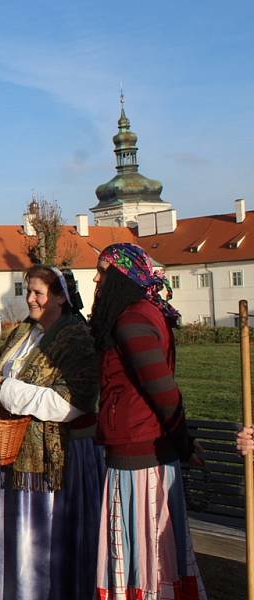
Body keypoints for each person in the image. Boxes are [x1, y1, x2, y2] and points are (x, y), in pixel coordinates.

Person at [0, 265, 102, 600]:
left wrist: (6, 393)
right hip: (15, 451)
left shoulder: (75, 336)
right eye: (27, 291)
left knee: (44, 543)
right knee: (16, 541)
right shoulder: (24, 332)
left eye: (38, 293)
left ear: (60, 297)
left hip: (55, 460)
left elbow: (71, 403)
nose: (30, 299)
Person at [90, 243, 206, 599]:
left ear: (122, 277)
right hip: (139, 449)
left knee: (145, 549)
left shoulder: (134, 320)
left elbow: (164, 391)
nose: (96, 279)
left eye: (102, 272)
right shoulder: (136, 314)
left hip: (142, 458)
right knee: (144, 549)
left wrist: (184, 444)